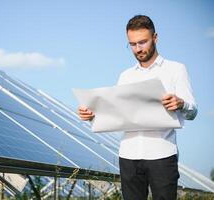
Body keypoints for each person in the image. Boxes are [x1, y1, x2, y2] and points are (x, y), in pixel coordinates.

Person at [78, 15, 197, 200]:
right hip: (128, 155)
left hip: (162, 155)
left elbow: (193, 112)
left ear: (155, 38)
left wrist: (182, 103)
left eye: (142, 42)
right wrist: (93, 116)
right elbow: (118, 115)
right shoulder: (125, 76)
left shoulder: (176, 69)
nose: (138, 49)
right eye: (132, 44)